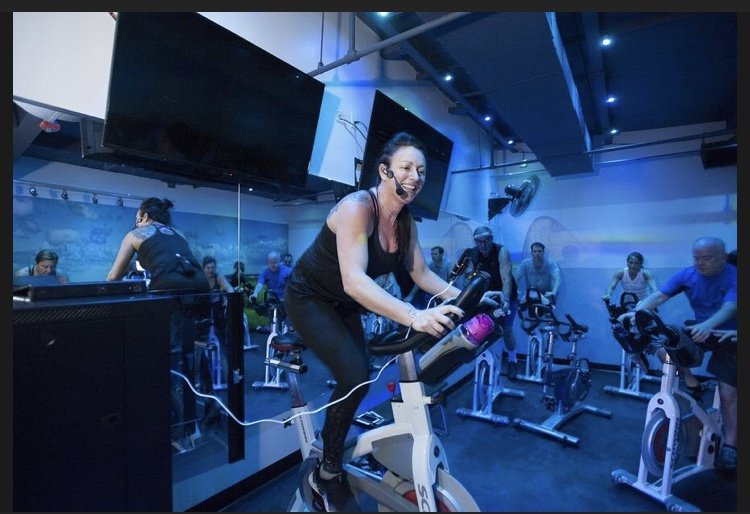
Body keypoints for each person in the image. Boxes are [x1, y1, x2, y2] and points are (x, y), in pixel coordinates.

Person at [284, 132, 472, 511]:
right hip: (309, 298)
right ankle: (327, 470)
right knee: (354, 373)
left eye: (421, 171)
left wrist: (468, 298)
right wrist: (415, 315)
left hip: (343, 303)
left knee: (361, 376)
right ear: (385, 171)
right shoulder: (358, 207)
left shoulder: (405, 222)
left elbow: (421, 273)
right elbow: (354, 280)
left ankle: (337, 452)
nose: (416, 177)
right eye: (406, 168)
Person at [631, 236, 736, 474]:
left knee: (728, 391)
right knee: (668, 348)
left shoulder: (734, 275)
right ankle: (690, 382)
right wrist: (636, 312)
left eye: (707, 258)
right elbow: (659, 296)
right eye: (696, 258)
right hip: (701, 330)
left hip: (731, 335)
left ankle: (731, 444)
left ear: (722, 258)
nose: (700, 263)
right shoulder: (688, 275)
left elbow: (730, 307)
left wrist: (708, 325)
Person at [105, 197, 209, 292]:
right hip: (202, 283)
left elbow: (113, 277)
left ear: (145, 217)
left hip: (168, 284)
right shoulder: (179, 233)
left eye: (137, 221)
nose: (137, 226)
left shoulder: (133, 234)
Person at [458, 226, 521, 380]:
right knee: (481, 329)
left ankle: (513, 361)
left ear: (492, 239)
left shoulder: (501, 251)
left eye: (486, 240)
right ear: (475, 242)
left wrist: (505, 300)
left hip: (506, 294)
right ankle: (486, 362)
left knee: (507, 329)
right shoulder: (472, 254)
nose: (483, 245)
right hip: (486, 296)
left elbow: (507, 278)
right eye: (479, 241)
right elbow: (469, 279)